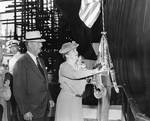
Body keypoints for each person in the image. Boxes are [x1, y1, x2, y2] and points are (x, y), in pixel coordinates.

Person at [55, 41, 106, 121]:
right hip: (66, 100)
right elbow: (75, 75)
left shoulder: (79, 67)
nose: (77, 52)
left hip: (77, 100)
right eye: (73, 51)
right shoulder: (64, 66)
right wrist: (96, 70)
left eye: (76, 50)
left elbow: (86, 79)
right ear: (67, 55)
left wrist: (96, 85)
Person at [12, 31, 54, 121]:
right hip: (31, 112)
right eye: (38, 43)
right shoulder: (21, 63)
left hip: (43, 109)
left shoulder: (41, 61)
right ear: (30, 44)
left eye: (41, 43)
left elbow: (44, 82)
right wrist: (25, 110)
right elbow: (18, 89)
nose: (41, 45)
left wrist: (49, 98)